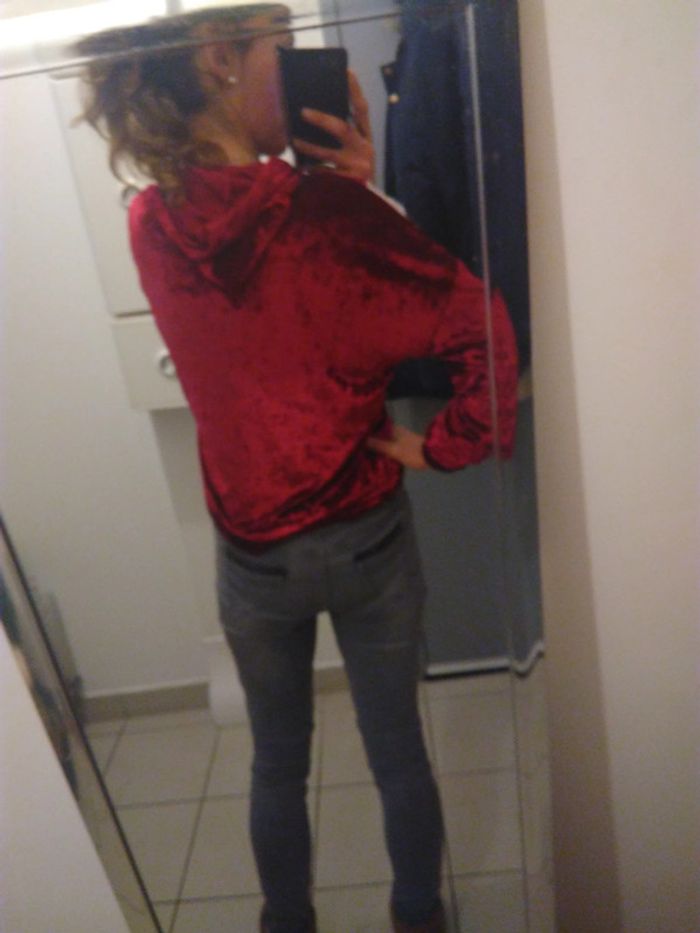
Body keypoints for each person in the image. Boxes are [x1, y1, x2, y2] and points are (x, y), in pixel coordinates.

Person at [75, 6, 517, 932]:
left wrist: (345, 197)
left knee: (276, 763)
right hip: (366, 541)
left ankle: (285, 920)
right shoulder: (331, 212)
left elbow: (260, 295)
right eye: (283, 47)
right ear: (220, 58)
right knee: (397, 752)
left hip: (254, 562)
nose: (302, 64)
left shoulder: (150, 226)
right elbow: (479, 323)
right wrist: (447, 443)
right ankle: (417, 916)